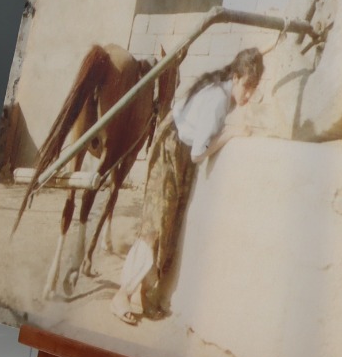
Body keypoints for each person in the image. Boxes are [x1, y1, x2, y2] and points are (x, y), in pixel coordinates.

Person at [111, 46, 262, 324]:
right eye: (247, 86)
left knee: (170, 227)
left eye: (254, 88)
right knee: (155, 224)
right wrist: (231, 134)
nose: (250, 94)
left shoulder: (225, 90)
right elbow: (198, 153)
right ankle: (122, 294)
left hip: (182, 151)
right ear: (236, 78)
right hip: (172, 147)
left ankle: (145, 294)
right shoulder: (217, 99)